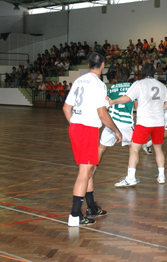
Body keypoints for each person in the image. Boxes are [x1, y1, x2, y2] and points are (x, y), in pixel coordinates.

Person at [63, 52, 122, 227]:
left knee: (88, 168)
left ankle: (92, 208)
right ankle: (75, 215)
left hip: (75, 127)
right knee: (84, 172)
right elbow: (102, 114)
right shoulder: (99, 84)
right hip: (87, 129)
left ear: (89, 64)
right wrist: (116, 130)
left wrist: (75, 123)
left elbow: (67, 108)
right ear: (103, 64)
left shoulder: (79, 81)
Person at [109, 63, 167, 185]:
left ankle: (131, 178)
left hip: (144, 122)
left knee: (134, 149)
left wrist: (112, 101)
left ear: (142, 72)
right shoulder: (161, 85)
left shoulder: (139, 84)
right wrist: (158, 110)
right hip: (159, 122)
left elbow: (127, 98)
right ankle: (162, 176)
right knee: (158, 149)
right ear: (154, 72)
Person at [96, 67, 148, 178]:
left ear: (117, 76)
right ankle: (131, 176)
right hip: (126, 123)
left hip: (112, 123)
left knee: (101, 148)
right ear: (128, 76)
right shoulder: (132, 87)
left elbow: (108, 106)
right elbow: (136, 106)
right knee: (133, 149)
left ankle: (91, 170)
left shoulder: (112, 88)